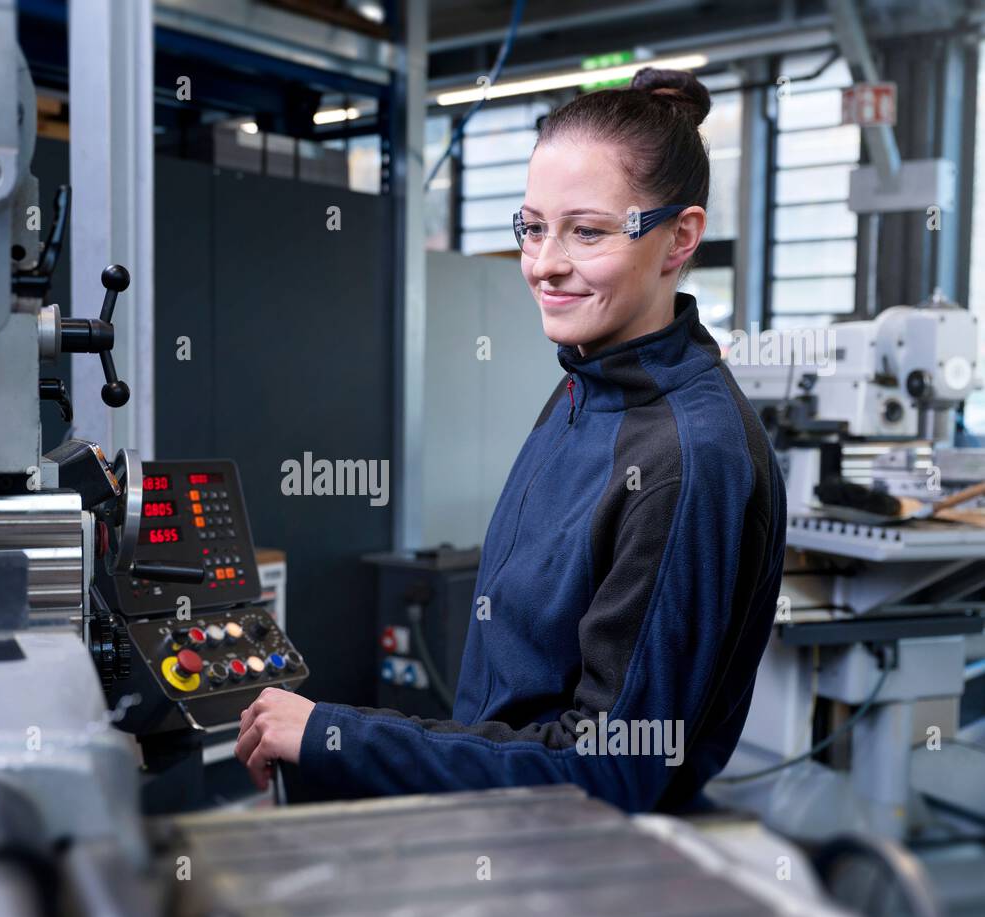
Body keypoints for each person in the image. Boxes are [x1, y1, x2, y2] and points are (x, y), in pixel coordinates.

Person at [234, 67, 787, 814]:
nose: (544, 263)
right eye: (533, 226)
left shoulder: (687, 460)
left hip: (586, 871)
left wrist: (339, 736)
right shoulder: (582, 385)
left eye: (587, 231)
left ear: (679, 239)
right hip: (507, 828)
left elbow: (611, 772)